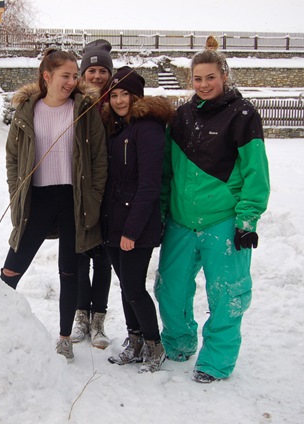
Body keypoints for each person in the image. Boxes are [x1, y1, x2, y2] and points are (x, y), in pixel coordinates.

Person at [155, 38, 270, 383]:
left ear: (224, 76)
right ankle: (179, 340)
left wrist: (247, 219)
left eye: (210, 77)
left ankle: (216, 361)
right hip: (180, 220)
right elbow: (166, 171)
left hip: (223, 221)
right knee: (169, 289)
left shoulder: (243, 115)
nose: (203, 85)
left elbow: (256, 172)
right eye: (197, 79)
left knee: (227, 293)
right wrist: (160, 212)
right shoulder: (180, 116)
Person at [0, 48, 108, 362]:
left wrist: (93, 198)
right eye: (65, 76)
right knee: (11, 268)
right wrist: (15, 193)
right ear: (47, 76)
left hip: (73, 200)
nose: (72, 82)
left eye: (75, 76)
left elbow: (99, 160)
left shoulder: (84, 111)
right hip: (38, 200)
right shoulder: (26, 112)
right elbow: (12, 158)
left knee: (70, 272)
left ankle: (64, 338)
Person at [102, 67, 175, 373]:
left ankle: (154, 346)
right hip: (113, 220)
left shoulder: (148, 128)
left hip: (137, 224)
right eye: (114, 95)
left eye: (125, 95)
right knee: (125, 286)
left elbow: (149, 184)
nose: (119, 101)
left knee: (133, 286)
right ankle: (135, 341)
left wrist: (132, 229)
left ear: (136, 96)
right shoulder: (118, 127)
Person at [72, 39, 114, 349]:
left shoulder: (119, 102)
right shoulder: (73, 103)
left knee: (102, 260)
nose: (97, 76)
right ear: (82, 74)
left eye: (102, 70)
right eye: (91, 70)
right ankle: (80, 316)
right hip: (77, 192)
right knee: (77, 259)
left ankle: (98, 319)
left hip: (111, 194)